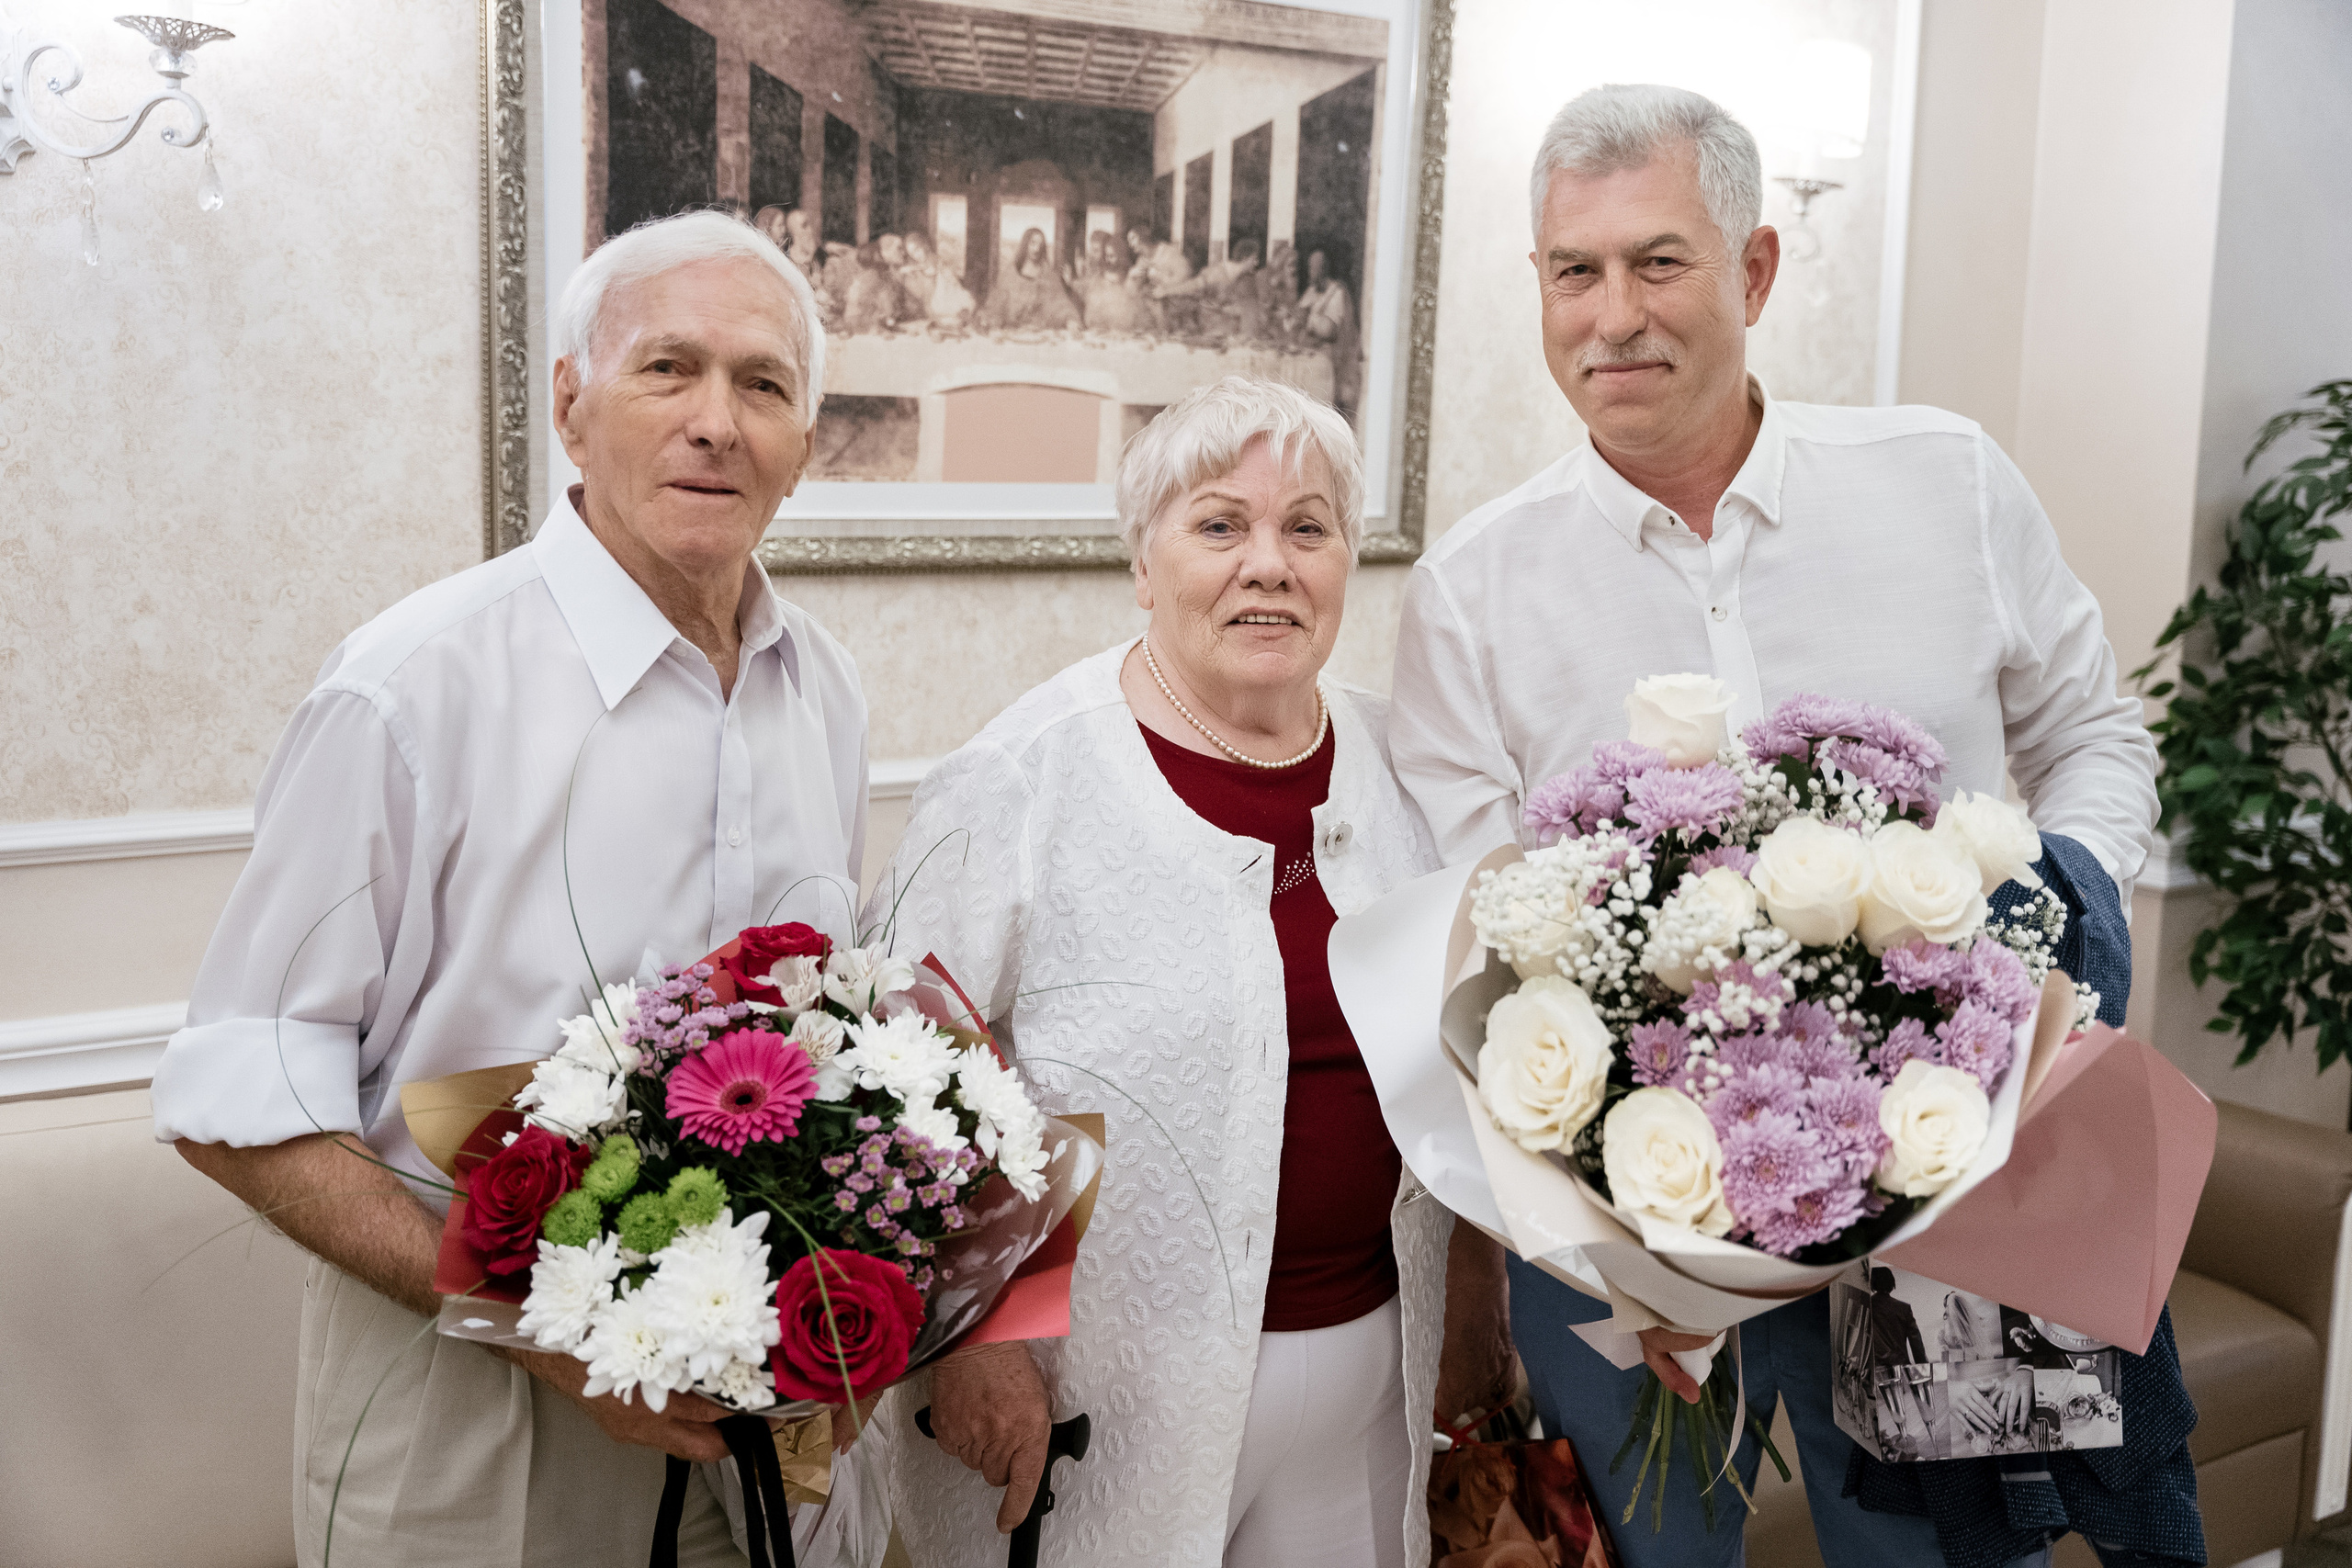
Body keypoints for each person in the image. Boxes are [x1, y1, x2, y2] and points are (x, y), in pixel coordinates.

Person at [1387, 85, 2173, 1568]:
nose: (1612, 314)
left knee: (1937, 1550)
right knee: (1658, 1545)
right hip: (1623, 1216)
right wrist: (1617, 1232)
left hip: (1957, 1179)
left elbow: (2095, 735)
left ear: (1752, 270)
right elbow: (1466, 930)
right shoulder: (1474, 588)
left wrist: (2059, 918)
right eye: (1574, 270)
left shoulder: (1946, 478)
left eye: (1659, 261)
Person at [152, 209, 869, 1567]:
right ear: (571, 404)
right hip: (468, 1420)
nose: (717, 420)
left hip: (752, 1447)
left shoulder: (820, 688)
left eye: (763, 383)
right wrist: (542, 1331)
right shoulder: (413, 686)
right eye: (669, 368)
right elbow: (237, 1103)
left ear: (807, 444)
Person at [872, 376, 1503, 1567]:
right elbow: (893, 1075)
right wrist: (968, 1338)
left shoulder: (1407, 765)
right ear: (1143, 559)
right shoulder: (1021, 779)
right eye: (1220, 524)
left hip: (1371, 1359)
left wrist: (1482, 1297)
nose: (1269, 562)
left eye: (1306, 527)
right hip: (1092, 1398)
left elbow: (1470, 1059)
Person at [977, 226, 1080, 331]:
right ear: (1025, 244)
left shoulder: (1049, 276)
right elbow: (996, 305)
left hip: (1041, 335)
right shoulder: (1010, 274)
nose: (1036, 249)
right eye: (1033, 243)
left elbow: (1061, 304)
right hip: (1012, 334)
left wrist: (1070, 319)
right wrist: (989, 319)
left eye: (1040, 245)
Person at [1298, 249, 1359, 421]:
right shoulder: (1312, 290)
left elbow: (1329, 331)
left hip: (1331, 357)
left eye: (1314, 268)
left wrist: (1310, 320)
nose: (1310, 272)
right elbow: (1298, 317)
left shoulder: (1336, 292)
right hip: (1311, 354)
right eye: (1310, 267)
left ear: (1324, 269)